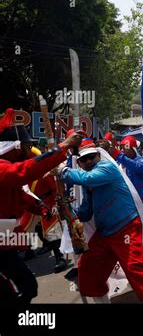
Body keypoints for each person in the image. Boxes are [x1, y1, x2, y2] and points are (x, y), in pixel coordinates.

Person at [57, 140, 143, 303]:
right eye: (83, 160)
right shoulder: (88, 183)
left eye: (91, 157)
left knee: (133, 267)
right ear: (79, 162)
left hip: (126, 226)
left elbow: (88, 178)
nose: (88, 162)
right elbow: (87, 212)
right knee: (88, 267)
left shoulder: (107, 168)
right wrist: (68, 211)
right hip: (105, 232)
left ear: (99, 156)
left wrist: (62, 171)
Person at [0, 108, 82, 304]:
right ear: (15, 147)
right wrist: (62, 147)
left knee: (29, 287)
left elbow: (22, 197)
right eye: (27, 146)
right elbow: (23, 171)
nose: (30, 150)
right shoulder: (3, 167)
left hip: (5, 245)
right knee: (13, 292)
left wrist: (46, 209)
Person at [109, 135, 143, 260]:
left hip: (141, 202)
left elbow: (140, 168)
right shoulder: (120, 162)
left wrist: (118, 155)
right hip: (126, 204)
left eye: (126, 148)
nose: (124, 151)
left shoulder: (141, 160)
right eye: (122, 148)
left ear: (133, 149)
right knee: (130, 234)